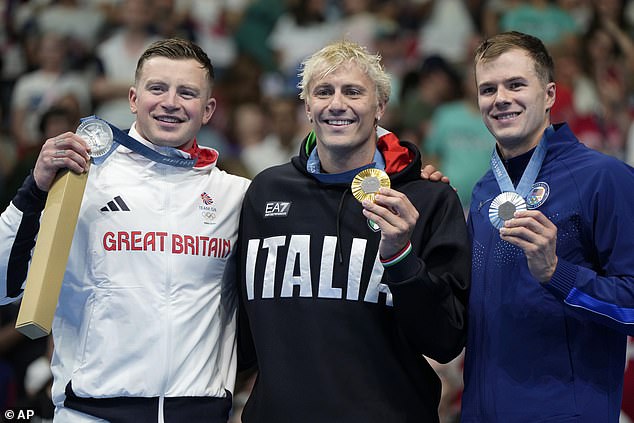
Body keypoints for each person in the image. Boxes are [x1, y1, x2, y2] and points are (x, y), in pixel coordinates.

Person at [0, 38, 251, 422]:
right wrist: (34, 191)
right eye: (157, 88)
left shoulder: (235, 196)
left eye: (187, 92)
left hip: (200, 414)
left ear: (208, 109)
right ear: (133, 99)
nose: (170, 102)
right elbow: (3, 284)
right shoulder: (81, 180)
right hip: (92, 413)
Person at [236, 40, 471, 422]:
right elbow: (242, 335)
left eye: (353, 92)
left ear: (380, 107)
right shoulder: (265, 193)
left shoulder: (428, 200)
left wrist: (401, 258)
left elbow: (445, 340)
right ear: (308, 106)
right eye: (323, 92)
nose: (337, 104)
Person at [462, 31, 634, 422]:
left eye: (516, 84)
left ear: (550, 95)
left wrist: (559, 275)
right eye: (488, 88)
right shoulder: (486, 190)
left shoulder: (604, 178)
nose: (500, 98)